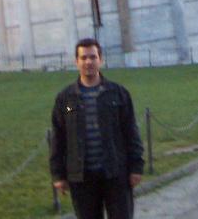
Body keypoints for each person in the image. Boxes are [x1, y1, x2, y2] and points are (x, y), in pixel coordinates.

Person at [50, 38, 144, 219]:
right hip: (82, 177)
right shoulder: (67, 100)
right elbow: (59, 136)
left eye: (93, 57)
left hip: (115, 173)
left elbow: (131, 131)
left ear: (100, 60)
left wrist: (136, 167)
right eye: (83, 58)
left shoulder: (118, 94)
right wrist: (58, 175)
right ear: (76, 62)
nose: (88, 62)